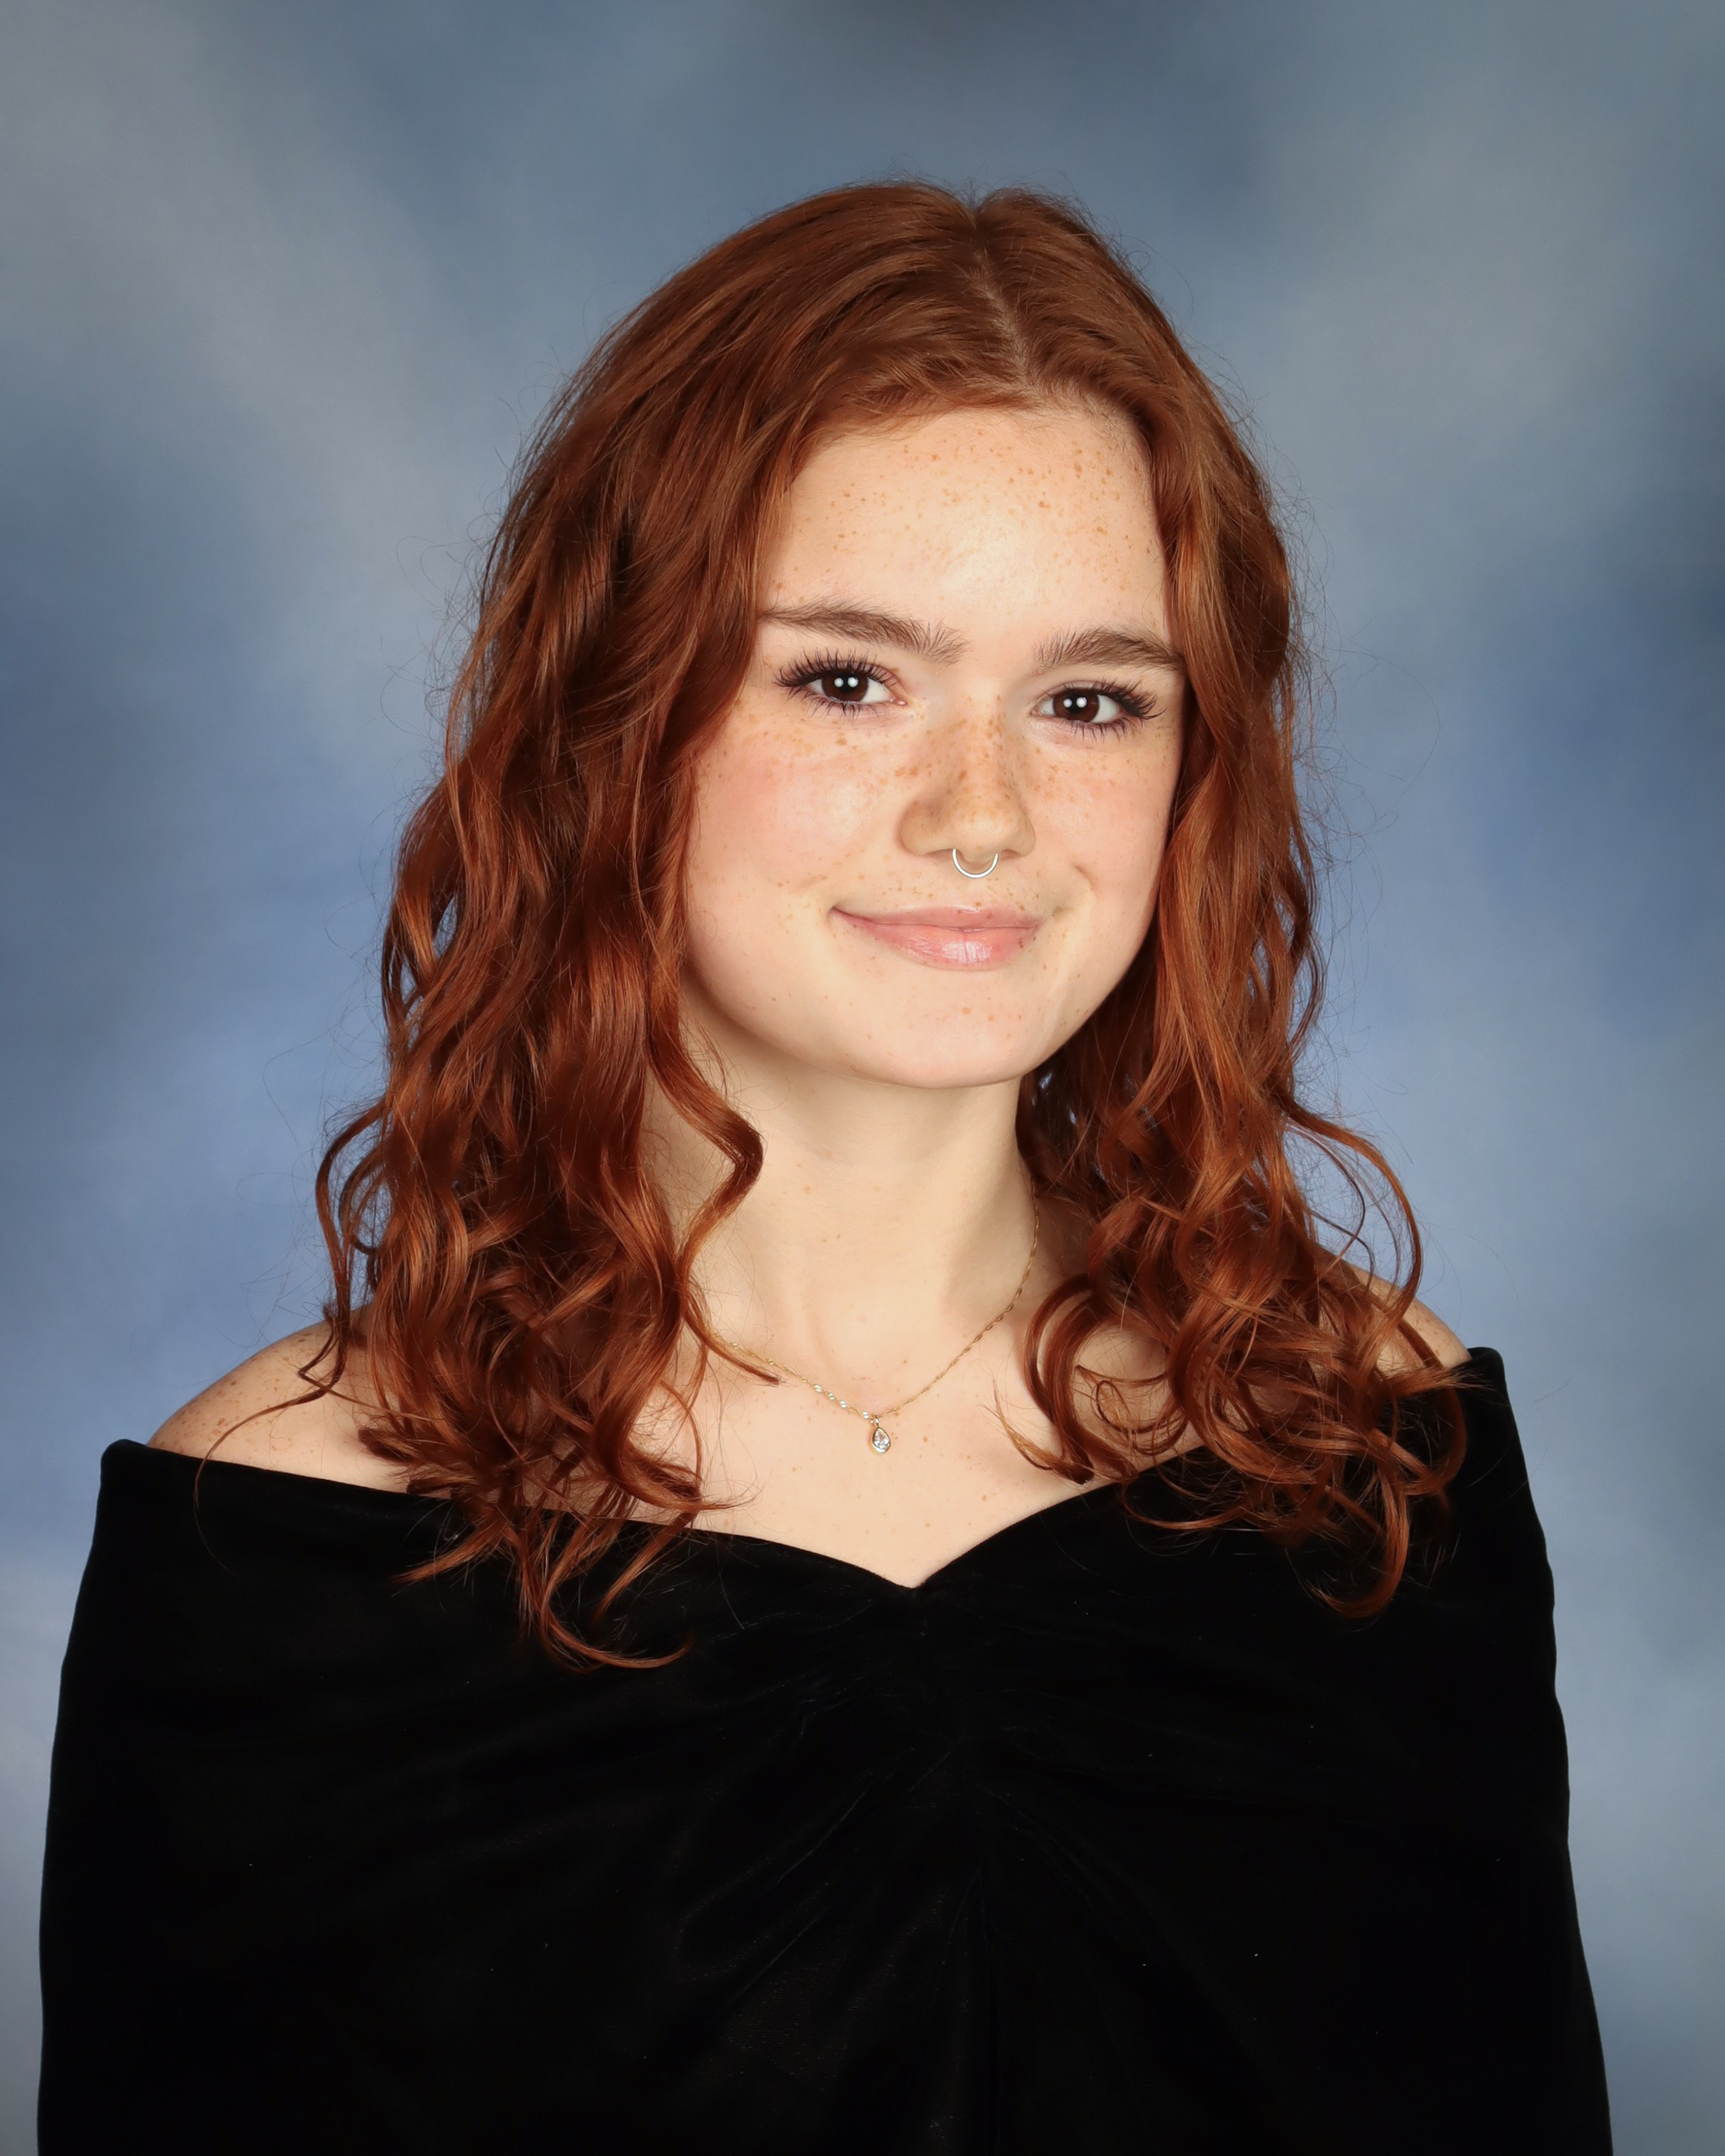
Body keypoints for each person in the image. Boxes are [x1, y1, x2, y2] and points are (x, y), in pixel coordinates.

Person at [37, 182, 1611, 2153]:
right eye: (848, 678)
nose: (981, 813)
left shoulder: (1365, 1445)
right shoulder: (284, 1529)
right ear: (615, 718)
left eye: (1089, 700)